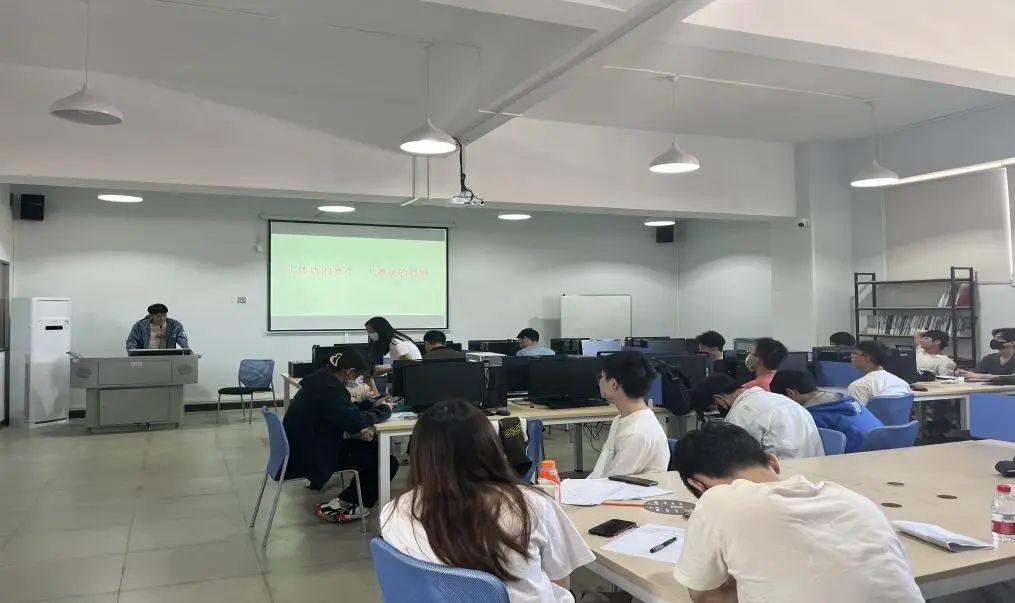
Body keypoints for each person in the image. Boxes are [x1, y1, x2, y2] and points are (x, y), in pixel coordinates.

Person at [671, 423, 923, 603]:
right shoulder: (855, 500)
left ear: (698, 485)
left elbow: (704, 596)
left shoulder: (718, 500)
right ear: (773, 462)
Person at [380, 400, 595, 603]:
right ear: (490, 447)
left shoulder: (394, 511)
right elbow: (561, 580)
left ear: (420, 454)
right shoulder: (530, 505)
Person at [282, 350, 397, 523]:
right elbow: (353, 423)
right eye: (358, 376)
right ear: (349, 372)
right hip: (311, 456)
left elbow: (342, 411)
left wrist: (371, 404)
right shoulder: (329, 390)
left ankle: (348, 500)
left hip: (304, 447)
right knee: (385, 460)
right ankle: (353, 504)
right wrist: (385, 410)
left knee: (372, 451)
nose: (357, 380)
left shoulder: (320, 382)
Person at [689, 373, 823, 459]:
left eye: (714, 410)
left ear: (718, 399)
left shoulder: (739, 414)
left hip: (780, 478)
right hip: (814, 474)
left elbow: (735, 460)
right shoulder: (780, 399)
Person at [587, 352, 670, 479]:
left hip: (621, 490)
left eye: (602, 377)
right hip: (607, 486)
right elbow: (602, 472)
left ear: (613, 384)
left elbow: (612, 482)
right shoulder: (623, 419)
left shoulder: (637, 433)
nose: (599, 382)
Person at [770, 369, 882, 453]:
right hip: (884, 452)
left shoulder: (811, 416)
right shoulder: (848, 400)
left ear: (791, 393)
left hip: (855, 461)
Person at [848, 340, 912, 404]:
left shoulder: (859, 386)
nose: (851, 355)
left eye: (855, 353)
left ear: (868, 357)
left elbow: (855, 410)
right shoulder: (903, 384)